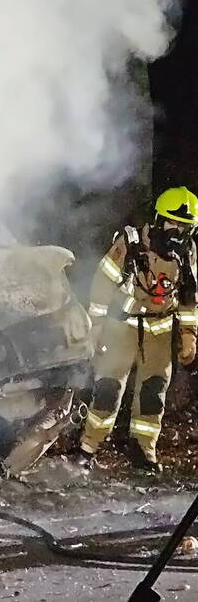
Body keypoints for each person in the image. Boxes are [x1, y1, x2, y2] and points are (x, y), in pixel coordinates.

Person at [79, 186, 198, 473]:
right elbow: (102, 283)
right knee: (108, 387)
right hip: (121, 326)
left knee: (153, 392)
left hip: (160, 330)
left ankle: (144, 449)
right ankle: (88, 447)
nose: (176, 233)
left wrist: (188, 335)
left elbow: (189, 297)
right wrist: (94, 326)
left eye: (185, 227)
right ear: (158, 219)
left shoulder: (187, 253)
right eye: (172, 223)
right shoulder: (131, 243)